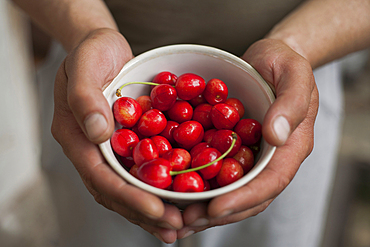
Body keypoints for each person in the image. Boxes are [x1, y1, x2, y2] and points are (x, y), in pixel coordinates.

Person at [12, 0, 370, 246]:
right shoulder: (155, 117)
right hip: (92, 75)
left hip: (289, 84)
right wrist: (83, 30)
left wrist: (297, 44)